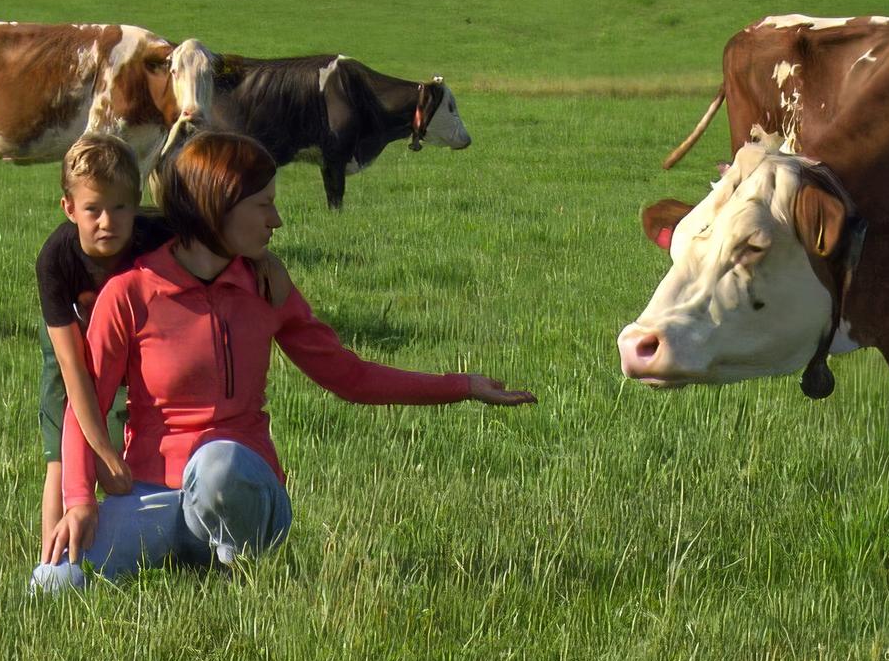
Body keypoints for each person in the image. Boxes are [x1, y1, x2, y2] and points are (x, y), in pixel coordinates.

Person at [32, 132, 534, 591]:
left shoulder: (266, 288)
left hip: (242, 494)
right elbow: (84, 406)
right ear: (219, 207)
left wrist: (461, 385)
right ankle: (191, 557)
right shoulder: (128, 293)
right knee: (54, 582)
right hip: (150, 495)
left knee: (216, 463)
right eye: (265, 205)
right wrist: (78, 502)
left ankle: (238, 569)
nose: (277, 220)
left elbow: (350, 376)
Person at [33, 133, 291, 569]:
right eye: (92, 209)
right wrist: (103, 454)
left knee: (120, 418)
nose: (107, 221)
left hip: (131, 341)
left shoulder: (157, 231)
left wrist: (264, 261)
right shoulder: (56, 259)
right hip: (71, 349)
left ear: (135, 205)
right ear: (69, 208)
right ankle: (55, 552)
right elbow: (76, 373)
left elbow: (219, 238)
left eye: (119, 208)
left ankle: (175, 527)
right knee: (61, 447)